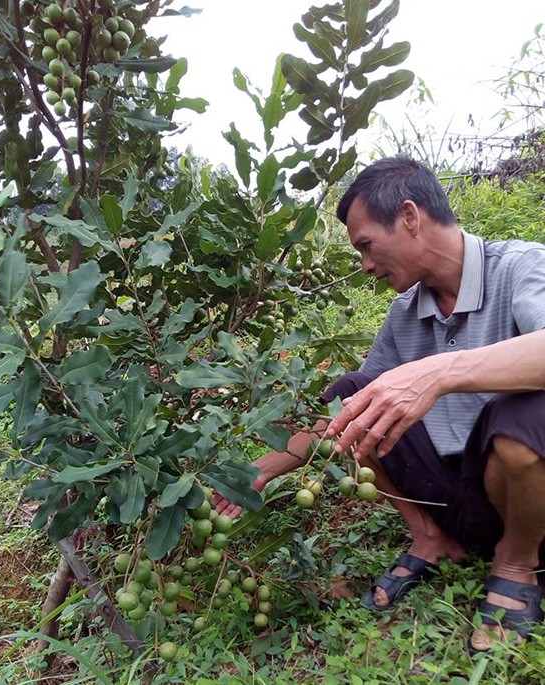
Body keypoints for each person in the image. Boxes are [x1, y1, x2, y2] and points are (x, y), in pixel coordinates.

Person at [213, 155, 545, 653]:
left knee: (525, 415)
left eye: (367, 245)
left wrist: (438, 373)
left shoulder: (522, 266)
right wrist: (257, 471)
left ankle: (518, 563)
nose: (366, 265)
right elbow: (351, 413)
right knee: (356, 393)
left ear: (410, 217)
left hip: (523, 489)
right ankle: (431, 536)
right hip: (454, 493)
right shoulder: (405, 311)